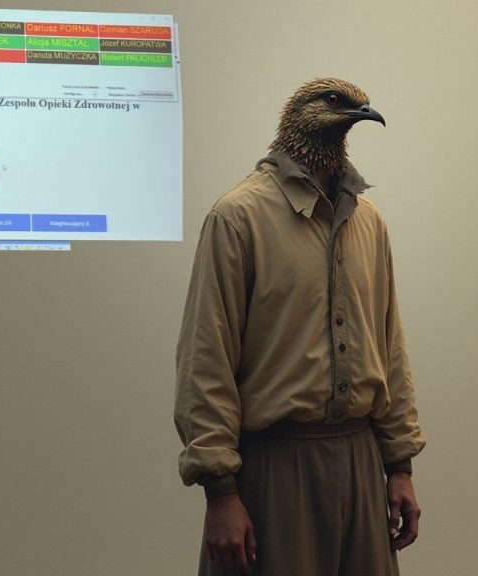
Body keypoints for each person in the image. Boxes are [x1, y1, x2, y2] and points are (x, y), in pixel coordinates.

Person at [174, 78, 425, 576]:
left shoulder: (368, 220)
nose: (359, 112)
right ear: (301, 114)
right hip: (275, 465)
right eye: (335, 103)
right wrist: (220, 491)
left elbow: (389, 347)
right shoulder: (238, 217)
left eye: (358, 106)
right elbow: (207, 357)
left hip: (359, 458)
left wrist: (399, 465)